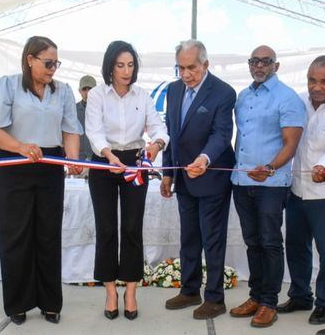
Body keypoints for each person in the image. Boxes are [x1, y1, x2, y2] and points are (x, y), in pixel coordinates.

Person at [0, 36, 83, 325]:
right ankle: (18, 303)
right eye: (48, 63)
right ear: (30, 59)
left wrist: (73, 159)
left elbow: (70, 130)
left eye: (56, 63)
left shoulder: (62, 91)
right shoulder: (8, 85)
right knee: (16, 236)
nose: (53, 69)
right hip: (14, 163)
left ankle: (50, 303)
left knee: (48, 235)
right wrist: (20, 147)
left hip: (49, 165)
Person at [85, 40, 169, 321]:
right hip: (103, 163)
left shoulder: (143, 96)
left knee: (132, 227)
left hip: (135, 164)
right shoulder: (97, 95)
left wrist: (157, 144)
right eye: (120, 65)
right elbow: (94, 133)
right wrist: (108, 155)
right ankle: (110, 291)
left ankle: (131, 291)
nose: (126, 71)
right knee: (106, 228)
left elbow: (158, 126)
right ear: (110, 67)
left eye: (131, 65)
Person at [228, 45, 305, 328]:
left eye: (265, 61)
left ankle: (269, 303)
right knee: (252, 242)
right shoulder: (243, 97)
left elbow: (291, 144)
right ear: (249, 65)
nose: (259, 66)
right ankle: (255, 296)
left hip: (271, 184)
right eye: (254, 61)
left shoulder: (288, 98)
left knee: (270, 241)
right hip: (241, 181)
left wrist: (271, 168)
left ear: (276, 65)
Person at [277, 55, 325, 325]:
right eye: (312, 80)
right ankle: (300, 295)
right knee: (296, 246)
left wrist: (323, 166)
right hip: (296, 190)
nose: (317, 86)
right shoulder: (296, 102)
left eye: (324, 81)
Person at [161, 39, 236, 320]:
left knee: (212, 239)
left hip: (212, 177)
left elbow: (221, 134)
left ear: (205, 64)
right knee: (189, 237)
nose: (186, 74)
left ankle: (215, 298)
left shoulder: (223, 92)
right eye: (180, 68)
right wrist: (168, 173)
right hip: (183, 178)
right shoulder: (173, 89)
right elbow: (171, 134)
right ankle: (190, 289)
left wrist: (204, 159)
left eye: (191, 67)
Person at [76, 75, 96, 161]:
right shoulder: (72, 110)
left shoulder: (103, 110)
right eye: (84, 89)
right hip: (78, 158)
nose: (87, 92)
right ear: (79, 91)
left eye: (90, 89)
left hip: (97, 157)